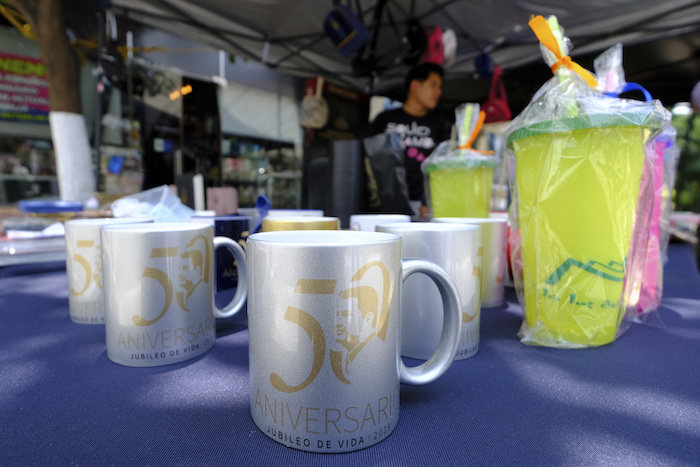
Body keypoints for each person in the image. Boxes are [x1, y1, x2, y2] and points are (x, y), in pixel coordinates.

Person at [369, 63, 452, 220]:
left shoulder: (440, 124)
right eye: (433, 84)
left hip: (420, 206)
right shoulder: (385, 119)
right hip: (383, 204)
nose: (438, 91)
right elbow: (368, 159)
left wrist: (429, 202)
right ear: (415, 85)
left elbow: (443, 167)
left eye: (440, 86)